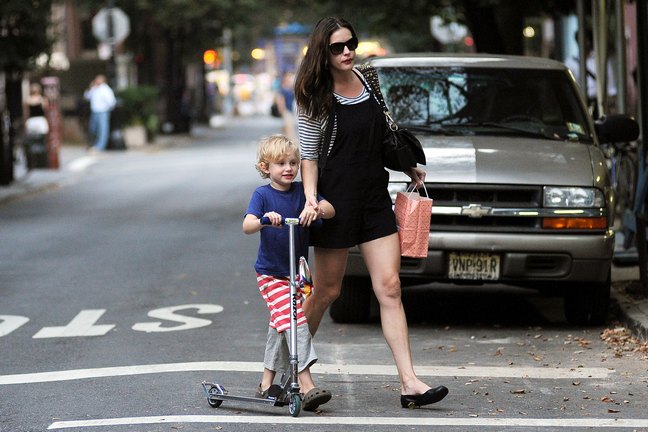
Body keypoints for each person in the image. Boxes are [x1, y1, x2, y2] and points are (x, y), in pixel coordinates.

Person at [294, 17, 449, 409]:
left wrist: (407, 165)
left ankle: (409, 382)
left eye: (351, 43)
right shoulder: (315, 93)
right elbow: (309, 156)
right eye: (336, 47)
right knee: (327, 291)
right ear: (322, 53)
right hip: (334, 201)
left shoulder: (368, 81)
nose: (347, 52)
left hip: (374, 198)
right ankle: (292, 364)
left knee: (390, 287)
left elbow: (382, 135)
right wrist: (311, 198)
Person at [243, 134, 335, 411]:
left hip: (296, 276)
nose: (289, 168)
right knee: (295, 323)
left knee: (280, 325)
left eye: (293, 162)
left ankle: (265, 382)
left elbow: (331, 209)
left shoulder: (300, 194)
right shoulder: (262, 195)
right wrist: (263, 220)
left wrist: (315, 208)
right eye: (281, 163)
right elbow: (247, 225)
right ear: (264, 168)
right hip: (271, 275)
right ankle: (306, 384)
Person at [564, 29, 617, 117]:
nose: (585, 43)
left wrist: (612, 104)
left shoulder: (600, 59)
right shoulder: (571, 63)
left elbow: (610, 84)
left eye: (586, 40)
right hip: (580, 103)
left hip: (599, 103)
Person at [84, 74, 116, 152]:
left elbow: (111, 102)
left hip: (103, 111)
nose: (97, 81)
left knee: (103, 130)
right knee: (93, 129)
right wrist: (90, 87)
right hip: (94, 111)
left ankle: (100, 147)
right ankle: (93, 144)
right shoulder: (94, 88)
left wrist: (107, 108)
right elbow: (87, 97)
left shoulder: (106, 89)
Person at [275, 72, 298, 142]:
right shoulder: (283, 89)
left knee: (286, 127)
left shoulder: (290, 89)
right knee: (289, 127)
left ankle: (279, 140)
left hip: (290, 110)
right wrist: (281, 110)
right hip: (286, 110)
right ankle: (293, 141)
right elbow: (280, 100)